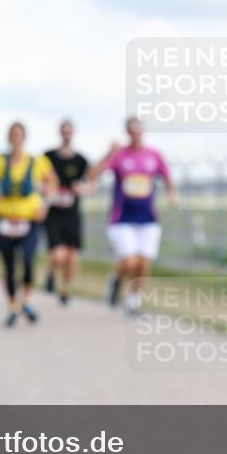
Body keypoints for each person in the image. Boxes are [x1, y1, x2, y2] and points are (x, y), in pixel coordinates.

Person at [89, 117, 176, 315]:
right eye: (132, 131)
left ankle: (133, 302)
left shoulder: (154, 155)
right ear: (127, 133)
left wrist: (172, 194)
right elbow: (93, 174)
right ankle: (116, 280)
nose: (136, 134)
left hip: (148, 218)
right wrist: (108, 153)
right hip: (122, 218)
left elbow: (168, 177)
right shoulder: (119, 155)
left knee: (144, 263)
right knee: (130, 261)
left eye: (139, 130)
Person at [0, 122, 55, 327]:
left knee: (28, 260)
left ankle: (28, 301)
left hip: (29, 219)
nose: (16, 138)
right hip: (6, 220)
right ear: (9, 137)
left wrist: (45, 205)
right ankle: (13, 305)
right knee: (8, 265)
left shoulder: (37, 161)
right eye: (13, 134)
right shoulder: (0, 162)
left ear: (24, 137)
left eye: (19, 134)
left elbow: (52, 183)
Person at [43, 119, 91, 305]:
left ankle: (65, 288)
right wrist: (47, 189)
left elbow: (90, 181)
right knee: (58, 254)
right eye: (64, 131)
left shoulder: (81, 160)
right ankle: (51, 272)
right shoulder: (48, 157)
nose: (67, 134)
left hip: (72, 213)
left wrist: (83, 189)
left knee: (72, 256)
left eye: (70, 131)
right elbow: (38, 179)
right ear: (60, 133)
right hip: (54, 212)